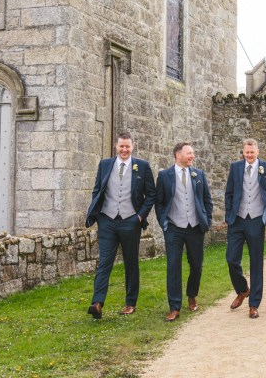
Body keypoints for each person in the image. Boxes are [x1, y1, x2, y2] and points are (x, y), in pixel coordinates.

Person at [85, 132, 156, 319]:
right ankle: (97, 302)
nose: (124, 150)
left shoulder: (142, 166)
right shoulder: (105, 165)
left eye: (127, 147)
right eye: (121, 146)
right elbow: (97, 190)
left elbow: (151, 195)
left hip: (130, 221)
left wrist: (139, 217)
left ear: (132, 147)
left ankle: (130, 303)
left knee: (131, 263)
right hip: (107, 220)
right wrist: (99, 216)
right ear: (116, 147)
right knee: (104, 262)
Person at [155, 142, 213, 322]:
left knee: (196, 265)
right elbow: (159, 202)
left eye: (192, 153)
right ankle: (174, 307)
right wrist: (164, 222)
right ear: (177, 155)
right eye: (189, 153)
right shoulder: (164, 176)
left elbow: (206, 200)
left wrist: (207, 219)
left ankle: (192, 295)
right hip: (173, 227)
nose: (192, 156)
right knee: (173, 266)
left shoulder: (198, 175)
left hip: (195, 227)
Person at [224, 139, 266, 319]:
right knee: (231, 259)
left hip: (256, 220)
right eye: (246, 152)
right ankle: (242, 289)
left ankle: (254, 304)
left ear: (257, 151)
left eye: (252, 152)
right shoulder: (235, 167)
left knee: (256, 263)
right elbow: (229, 192)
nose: (249, 155)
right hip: (237, 220)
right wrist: (229, 216)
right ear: (243, 152)